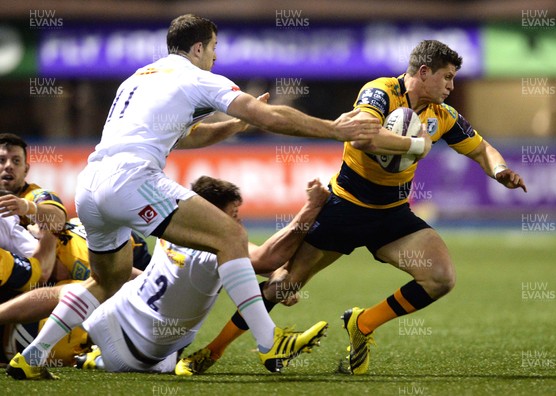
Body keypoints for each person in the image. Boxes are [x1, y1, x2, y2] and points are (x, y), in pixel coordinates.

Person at [6, 14, 379, 380]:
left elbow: (186, 137)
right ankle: (269, 343)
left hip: (90, 184)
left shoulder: (136, 79)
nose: (216, 57)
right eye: (214, 48)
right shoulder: (197, 78)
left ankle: (32, 354)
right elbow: (269, 116)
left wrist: (234, 126)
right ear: (198, 47)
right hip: (132, 178)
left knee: (108, 280)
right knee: (230, 237)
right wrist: (334, 129)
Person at [193, 39, 528, 375]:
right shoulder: (380, 92)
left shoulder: (442, 115)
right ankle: (212, 350)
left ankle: (363, 323)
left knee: (440, 278)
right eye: (447, 77)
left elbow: (481, 149)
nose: (452, 86)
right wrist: (416, 145)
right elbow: (360, 136)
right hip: (344, 209)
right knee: (286, 285)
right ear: (424, 72)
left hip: (392, 215)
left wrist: (500, 171)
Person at [73, 176, 329, 374]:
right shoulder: (213, 250)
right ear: (212, 215)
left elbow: (262, 262)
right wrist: (312, 206)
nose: (238, 225)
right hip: (144, 354)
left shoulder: (173, 228)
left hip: (108, 319)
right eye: (233, 216)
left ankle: (82, 352)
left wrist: (277, 277)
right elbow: (266, 258)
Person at [0, 133, 67, 234]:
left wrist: (28, 207)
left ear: (26, 170)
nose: (9, 166)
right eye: (1, 160)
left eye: (16, 161)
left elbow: (59, 220)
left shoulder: (37, 195)